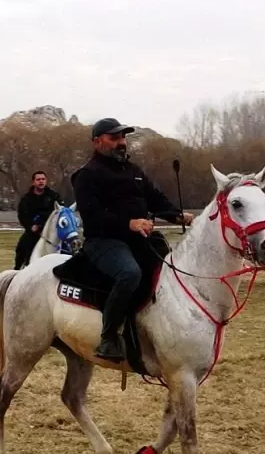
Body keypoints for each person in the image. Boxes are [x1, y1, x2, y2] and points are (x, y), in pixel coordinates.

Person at [70, 118, 195, 362]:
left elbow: (155, 199)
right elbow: (92, 216)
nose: (121, 143)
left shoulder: (134, 171)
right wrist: (130, 223)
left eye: (123, 138)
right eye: (114, 138)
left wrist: (177, 215)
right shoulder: (87, 175)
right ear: (97, 142)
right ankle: (108, 337)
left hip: (138, 239)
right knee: (129, 273)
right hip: (104, 242)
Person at [14, 171, 62, 269]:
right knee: (22, 247)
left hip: (51, 230)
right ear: (33, 182)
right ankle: (18, 269)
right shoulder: (26, 199)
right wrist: (31, 226)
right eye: (38, 179)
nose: (41, 181)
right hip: (34, 232)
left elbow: (60, 211)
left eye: (43, 179)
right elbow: (22, 215)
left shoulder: (53, 196)